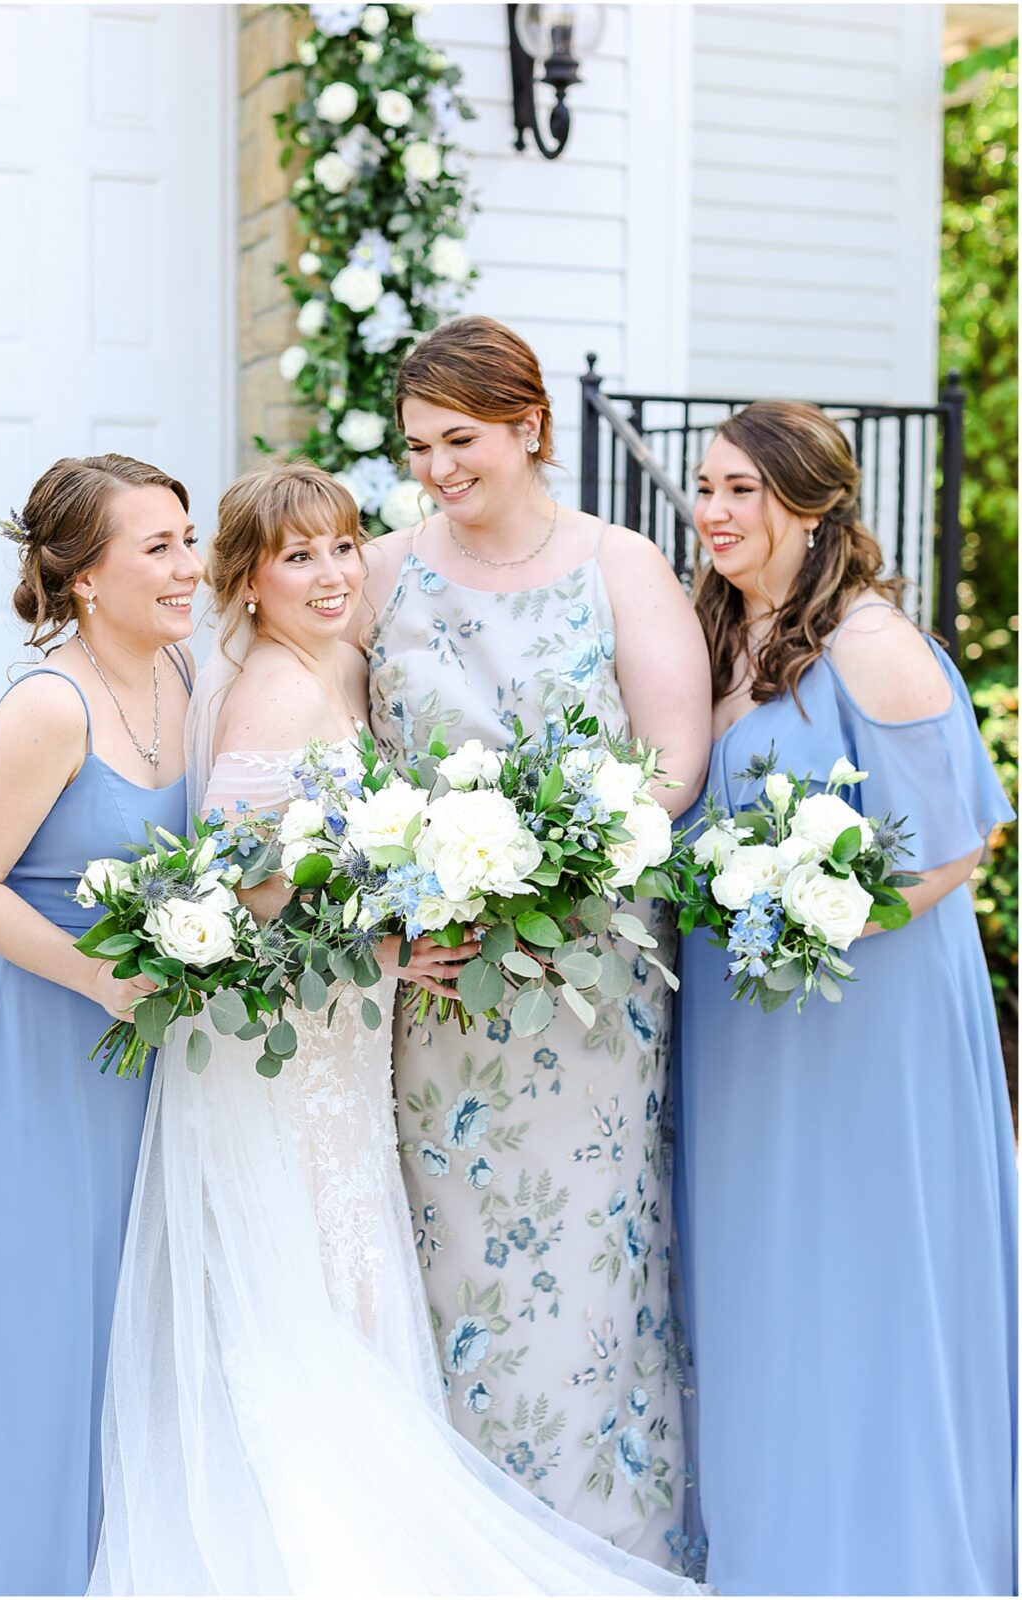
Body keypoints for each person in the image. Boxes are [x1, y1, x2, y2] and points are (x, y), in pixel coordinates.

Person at [89, 460, 704, 1597]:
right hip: (296, 1048)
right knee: (320, 1294)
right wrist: (381, 951)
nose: (331, 575)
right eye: (296, 557)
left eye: (339, 548)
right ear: (250, 579)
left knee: (351, 1286)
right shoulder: (275, 687)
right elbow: (244, 883)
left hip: (351, 1035)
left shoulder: (347, 661)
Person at [356, 316, 712, 1562]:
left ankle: (594, 1546)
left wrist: (563, 861)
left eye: (461, 441)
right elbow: (328, 761)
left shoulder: (621, 564)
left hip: (589, 981)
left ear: (530, 427)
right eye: (417, 447)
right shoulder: (384, 570)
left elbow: (671, 761)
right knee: (447, 1253)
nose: (438, 469)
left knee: (589, 1260)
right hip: (441, 987)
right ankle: (453, 1547)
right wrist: (392, 902)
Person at [675, 400, 1016, 1596]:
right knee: (761, 1282)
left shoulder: (875, 644)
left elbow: (950, 848)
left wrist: (810, 914)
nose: (713, 512)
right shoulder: (719, 630)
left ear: (813, 506)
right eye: (705, 488)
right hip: (741, 1020)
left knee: (856, 1271)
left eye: (741, 492)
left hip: (860, 1015)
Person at [0, 454, 202, 1596]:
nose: (188, 567)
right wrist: (95, 977)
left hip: (145, 1056)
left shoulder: (181, 678)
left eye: (187, 539)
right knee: (38, 1329)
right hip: (46, 1053)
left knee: (125, 1325)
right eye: (157, 548)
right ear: (86, 577)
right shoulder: (48, 704)